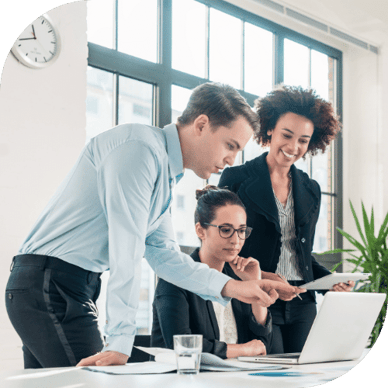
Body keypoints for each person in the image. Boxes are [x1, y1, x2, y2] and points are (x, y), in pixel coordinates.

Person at [5, 82, 300, 369]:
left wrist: (236, 288)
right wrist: (120, 340)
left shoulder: (164, 175)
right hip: (49, 282)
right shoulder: (139, 150)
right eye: (230, 145)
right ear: (201, 125)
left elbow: (166, 258)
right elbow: (127, 248)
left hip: (64, 284)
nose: (231, 158)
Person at [219, 85, 354, 354]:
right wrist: (267, 278)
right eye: (287, 135)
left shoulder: (311, 189)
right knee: (265, 376)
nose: (293, 147)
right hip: (257, 296)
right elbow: (224, 249)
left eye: (303, 140)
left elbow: (302, 255)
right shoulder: (236, 179)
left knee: (304, 375)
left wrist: (329, 281)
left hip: (302, 302)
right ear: (270, 129)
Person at [152, 186, 283, 358]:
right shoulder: (175, 277)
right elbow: (181, 346)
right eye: (226, 230)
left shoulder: (238, 278)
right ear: (200, 231)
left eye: (242, 231)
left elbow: (263, 347)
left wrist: (254, 283)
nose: (236, 240)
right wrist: (243, 350)